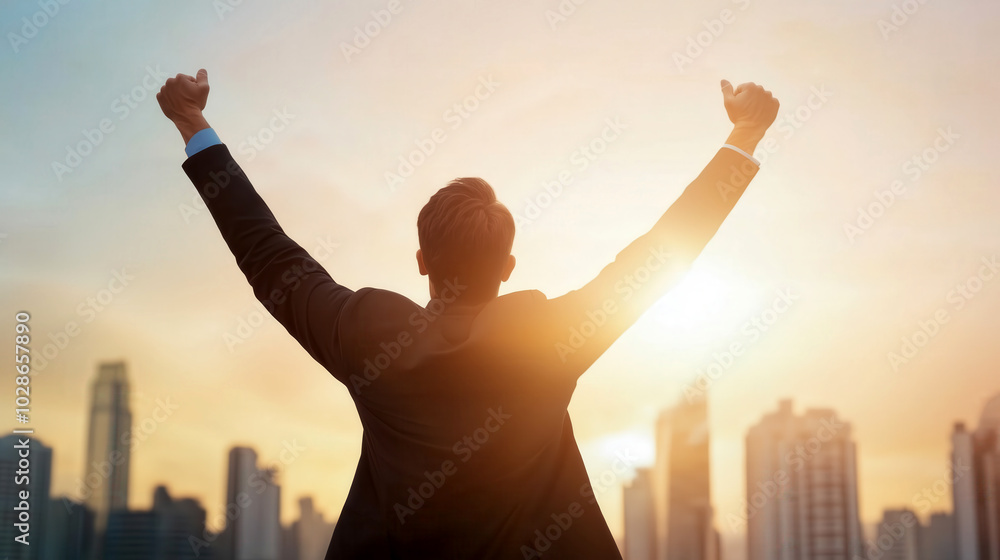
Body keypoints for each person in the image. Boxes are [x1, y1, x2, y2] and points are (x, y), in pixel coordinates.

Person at [157, 69, 778, 559]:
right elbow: (656, 260)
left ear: (422, 260)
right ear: (508, 267)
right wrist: (743, 138)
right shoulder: (549, 340)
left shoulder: (367, 337)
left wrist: (193, 123)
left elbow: (268, 257)